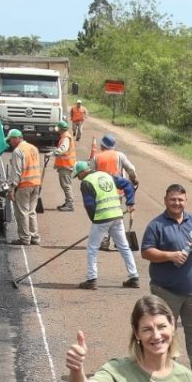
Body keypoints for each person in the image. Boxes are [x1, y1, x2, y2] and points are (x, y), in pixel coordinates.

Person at [141, 184, 192, 382]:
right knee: (163, 331)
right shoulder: (156, 225)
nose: (176, 203)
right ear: (165, 200)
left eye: (180, 200)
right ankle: (163, 367)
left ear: (186, 201)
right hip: (166, 291)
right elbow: (146, 251)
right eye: (173, 199)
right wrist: (169, 256)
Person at [76, 161, 139, 290]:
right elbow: (127, 183)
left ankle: (91, 279)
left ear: (83, 172)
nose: (78, 177)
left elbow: (89, 204)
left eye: (78, 174)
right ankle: (134, 277)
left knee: (92, 248)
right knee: (124, 247)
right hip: (117, 215)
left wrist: (95, 220)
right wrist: (130, 202)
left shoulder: (86, 182)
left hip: (102, 217)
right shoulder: (106, 175)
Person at [94, 135, 140, 251]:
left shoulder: (97, 157)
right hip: (117, 192)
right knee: (117, 217)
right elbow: (131, 169)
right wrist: (133, 179)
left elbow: (91, 174)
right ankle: (120, 242)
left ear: (102, 145)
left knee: (104, 216)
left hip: (102, 193)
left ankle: (104, 242)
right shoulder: (119, 155)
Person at [3, 129, 42, 246]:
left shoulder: (18, 151)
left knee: (22, 212)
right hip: (36, 183)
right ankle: (34, 236)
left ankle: (25, 238)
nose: (9, 143)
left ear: (16, 138)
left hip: (24, 185)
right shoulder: (33, 148)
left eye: (10, 140)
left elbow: (16, 172)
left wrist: (11, 189)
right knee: (31, 211)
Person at [51, 120, 77, 211]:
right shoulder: (65, 136)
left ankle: (70, 204)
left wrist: (52, 153)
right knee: (65, 185)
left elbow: (63, 149)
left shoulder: (66, 138)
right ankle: (68, 202)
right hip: (66, 165)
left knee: (66, 185)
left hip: (66, 166)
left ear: (61, 129)